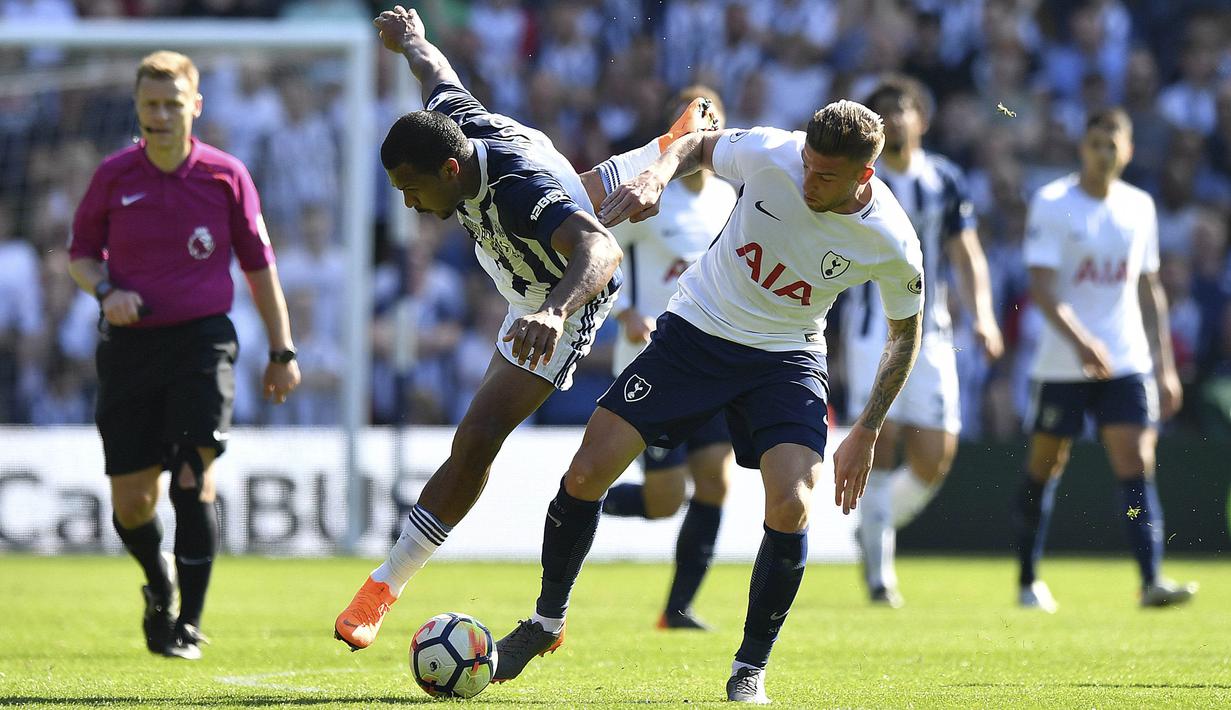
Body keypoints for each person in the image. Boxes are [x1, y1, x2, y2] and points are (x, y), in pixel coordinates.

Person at [493, 101, 925, 704]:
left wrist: (868, 428)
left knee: (793, 504)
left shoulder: (892, 240)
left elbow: (904, 335)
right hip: (697, 330)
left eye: (826, 176)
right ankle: (546, 622)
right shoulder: (774, 151)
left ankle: (751, 667)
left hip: (786, 356)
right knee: (587, 472)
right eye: (807, 164)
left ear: (864, 176)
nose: (808, 181)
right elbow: (697, 143)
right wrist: (657, 174)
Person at [334, 5, 717, 651]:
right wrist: (413, 40)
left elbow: (600, 252)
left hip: (563, 293)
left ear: (450, 171)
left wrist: (554, 311)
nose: (408, 203)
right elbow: (436, 72)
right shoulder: (451, 124)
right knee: (581, 200)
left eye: (411, 189)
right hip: (539, 250)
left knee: (478, 436)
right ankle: (663, 151)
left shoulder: (516, 192)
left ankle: (383, 586)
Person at [67, 51, 300, 660]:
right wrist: (106, 291)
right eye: (151, 104)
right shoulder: (113, 176)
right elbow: (80, 256)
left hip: (202, 342)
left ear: (195, 106)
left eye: (173, 103)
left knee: (195, 477)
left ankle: (189, 623)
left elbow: (260, 269)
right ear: (137, 108)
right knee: (133, 501)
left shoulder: (226, 176)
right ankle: (158, 579)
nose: (162, 114)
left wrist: (282, 349)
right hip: (130, 348)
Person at [1014, 107, 1198, 613]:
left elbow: (1148, 287)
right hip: (1062, 361)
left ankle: (1151, 579)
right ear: (1082, 148)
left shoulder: (1139, 207)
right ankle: (1028, 579)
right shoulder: (1053, 203)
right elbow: (1041, 288)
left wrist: (1164, 366)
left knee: (1135, 462)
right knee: (1045, 464)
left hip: (1125, 359)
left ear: (1128, 150)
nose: (1103, 153)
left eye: (1111, 144)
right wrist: (1081, 342)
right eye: (1095, 143)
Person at [841, 75, 1003, 608]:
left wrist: (983, 315)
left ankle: (871, 527)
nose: (895, 119)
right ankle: (880, 576)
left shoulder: (944, 179)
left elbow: (966, 253)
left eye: (903, 109)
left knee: (935, 457)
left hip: (931, 332)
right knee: (880, 440)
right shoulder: (857, 178)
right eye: (884, 112)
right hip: (870, 329)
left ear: (922, 119)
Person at [600, 85, 738, 632]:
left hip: (713, 361)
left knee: (717, 482)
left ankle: (677, 610)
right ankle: (582, 497)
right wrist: (625, 312)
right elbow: (599, 252)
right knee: (665, 500)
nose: (706, 127)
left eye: (714, 117)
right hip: (652, 362)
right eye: (696, 118)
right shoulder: (650, 191)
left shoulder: (730, 197)